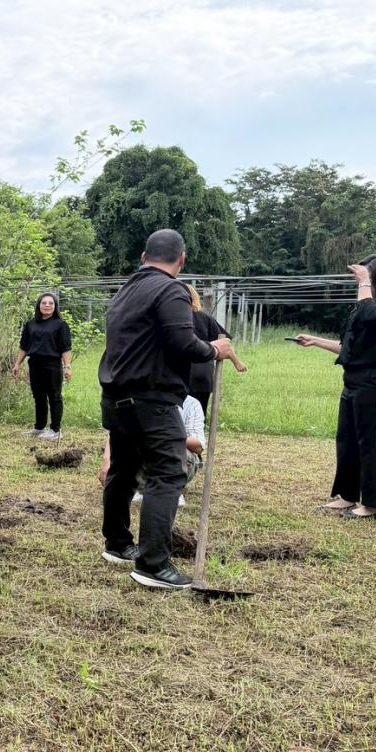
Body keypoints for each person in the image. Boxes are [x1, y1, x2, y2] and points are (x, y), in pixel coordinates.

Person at [98, 229, 234, 590]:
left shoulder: (126, 291)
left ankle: (117, 543)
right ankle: (153, 565)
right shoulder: (171, 289)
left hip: (116, 396)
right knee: (169, 472)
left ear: (144, 256)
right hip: (151, 399)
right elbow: (182, 342)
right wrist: (214, 349)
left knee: (124, 469)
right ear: (182, 259)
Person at [296, 254, 376, 519]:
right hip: (355, 379)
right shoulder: (368, 305)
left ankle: (374, 504)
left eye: (368, 276)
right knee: (346, 440)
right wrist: (315, 341)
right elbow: (350, 347)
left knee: (369, 441)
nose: (362, 281)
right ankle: (347, 497)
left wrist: (364, 283)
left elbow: (372, 319)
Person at [101, 394, 206, 508]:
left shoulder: (191, 404)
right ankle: (140, 487)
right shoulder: (139, 398)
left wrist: (167, 436)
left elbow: (198, 446)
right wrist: (107, 460)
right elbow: (117, 431)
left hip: (176, 456)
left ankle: (172, 490)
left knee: (171, 449)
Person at [11, 293, 72, 440]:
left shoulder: (60, 325)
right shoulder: (31, 324)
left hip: (52, 365)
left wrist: (67, 366)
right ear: (39, 305)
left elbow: (65, 348)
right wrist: (17, 364)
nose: (47, 305)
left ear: (55, 306)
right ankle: (39, 428)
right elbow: (24, 346)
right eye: (44, 303)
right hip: (35, 364)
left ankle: (56, 431)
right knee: (38, 396)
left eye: (51, 303)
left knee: (54, 397)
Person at [188, 285, 247, 413]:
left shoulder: (172, 319)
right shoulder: (205, 318)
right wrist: (237, 362)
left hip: (180, 374)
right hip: (203, 375)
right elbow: (225, 343)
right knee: (199, 414)